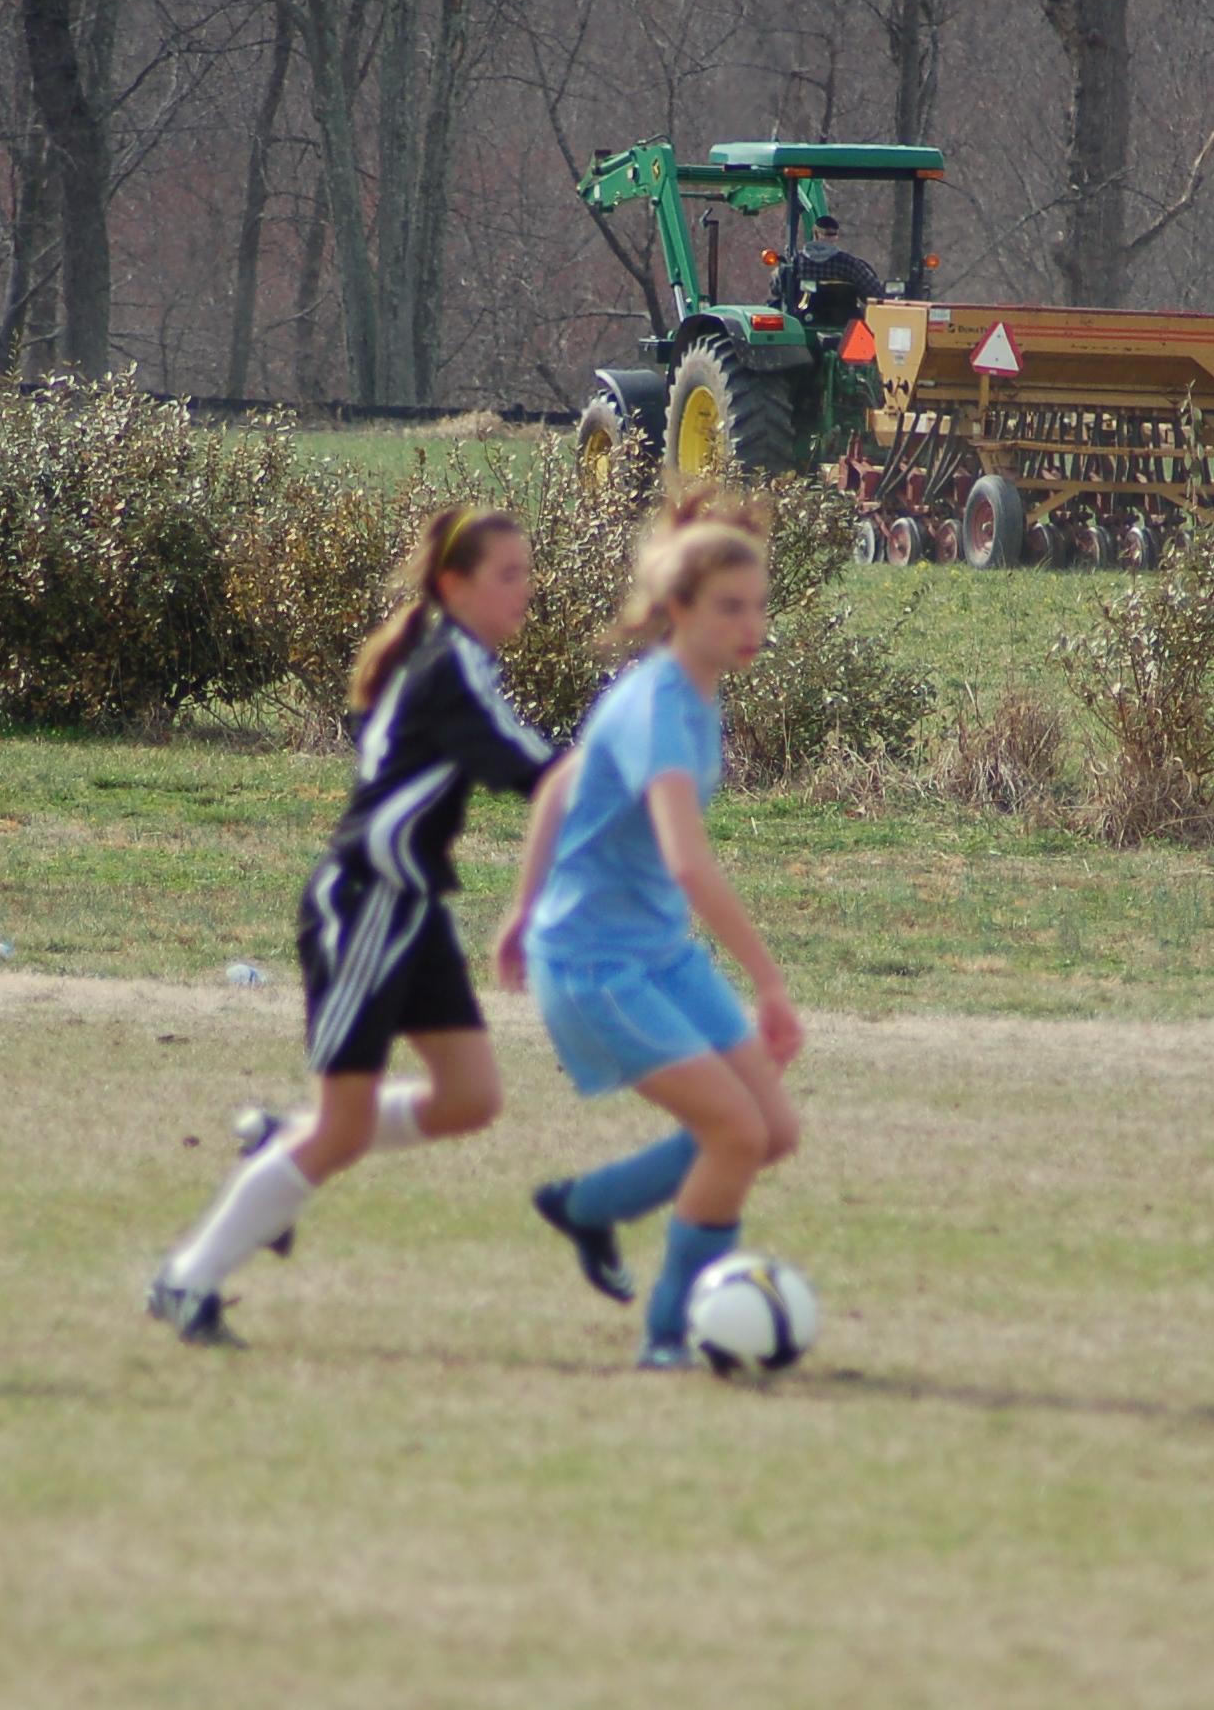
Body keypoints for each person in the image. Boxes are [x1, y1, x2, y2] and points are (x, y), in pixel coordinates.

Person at [148, 504, 562, 1346]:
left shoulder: (456, 658)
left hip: (412, 909)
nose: (527, 589)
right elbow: (533, 770)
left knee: (470, 1098)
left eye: (527, 572)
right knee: (341, 1129)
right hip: (368, 902)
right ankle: (185, 1280)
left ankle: (282, 1140)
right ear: (455, 585)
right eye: (509, 575)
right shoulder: (451, 665)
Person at [499, 486, 801, 1370]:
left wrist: (521, 904)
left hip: (659, 953)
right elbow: (689, 864)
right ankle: (671, 1335)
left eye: (759, 605)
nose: (752, 625)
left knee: (771, 1130)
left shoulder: (693, 691)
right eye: (730, 607)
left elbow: (565, 779)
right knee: (737, 1134)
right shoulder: (660, 706)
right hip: (596, 968)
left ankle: (588, 1206)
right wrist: (769, 982)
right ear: (678, 609)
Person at [775, 213, 882, 314]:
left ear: (815, 234)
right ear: (835, 237)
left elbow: (776, 289)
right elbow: (875, 293)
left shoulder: (795, 262)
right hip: (842, 322)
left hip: (802, 321)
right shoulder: (849, 263)